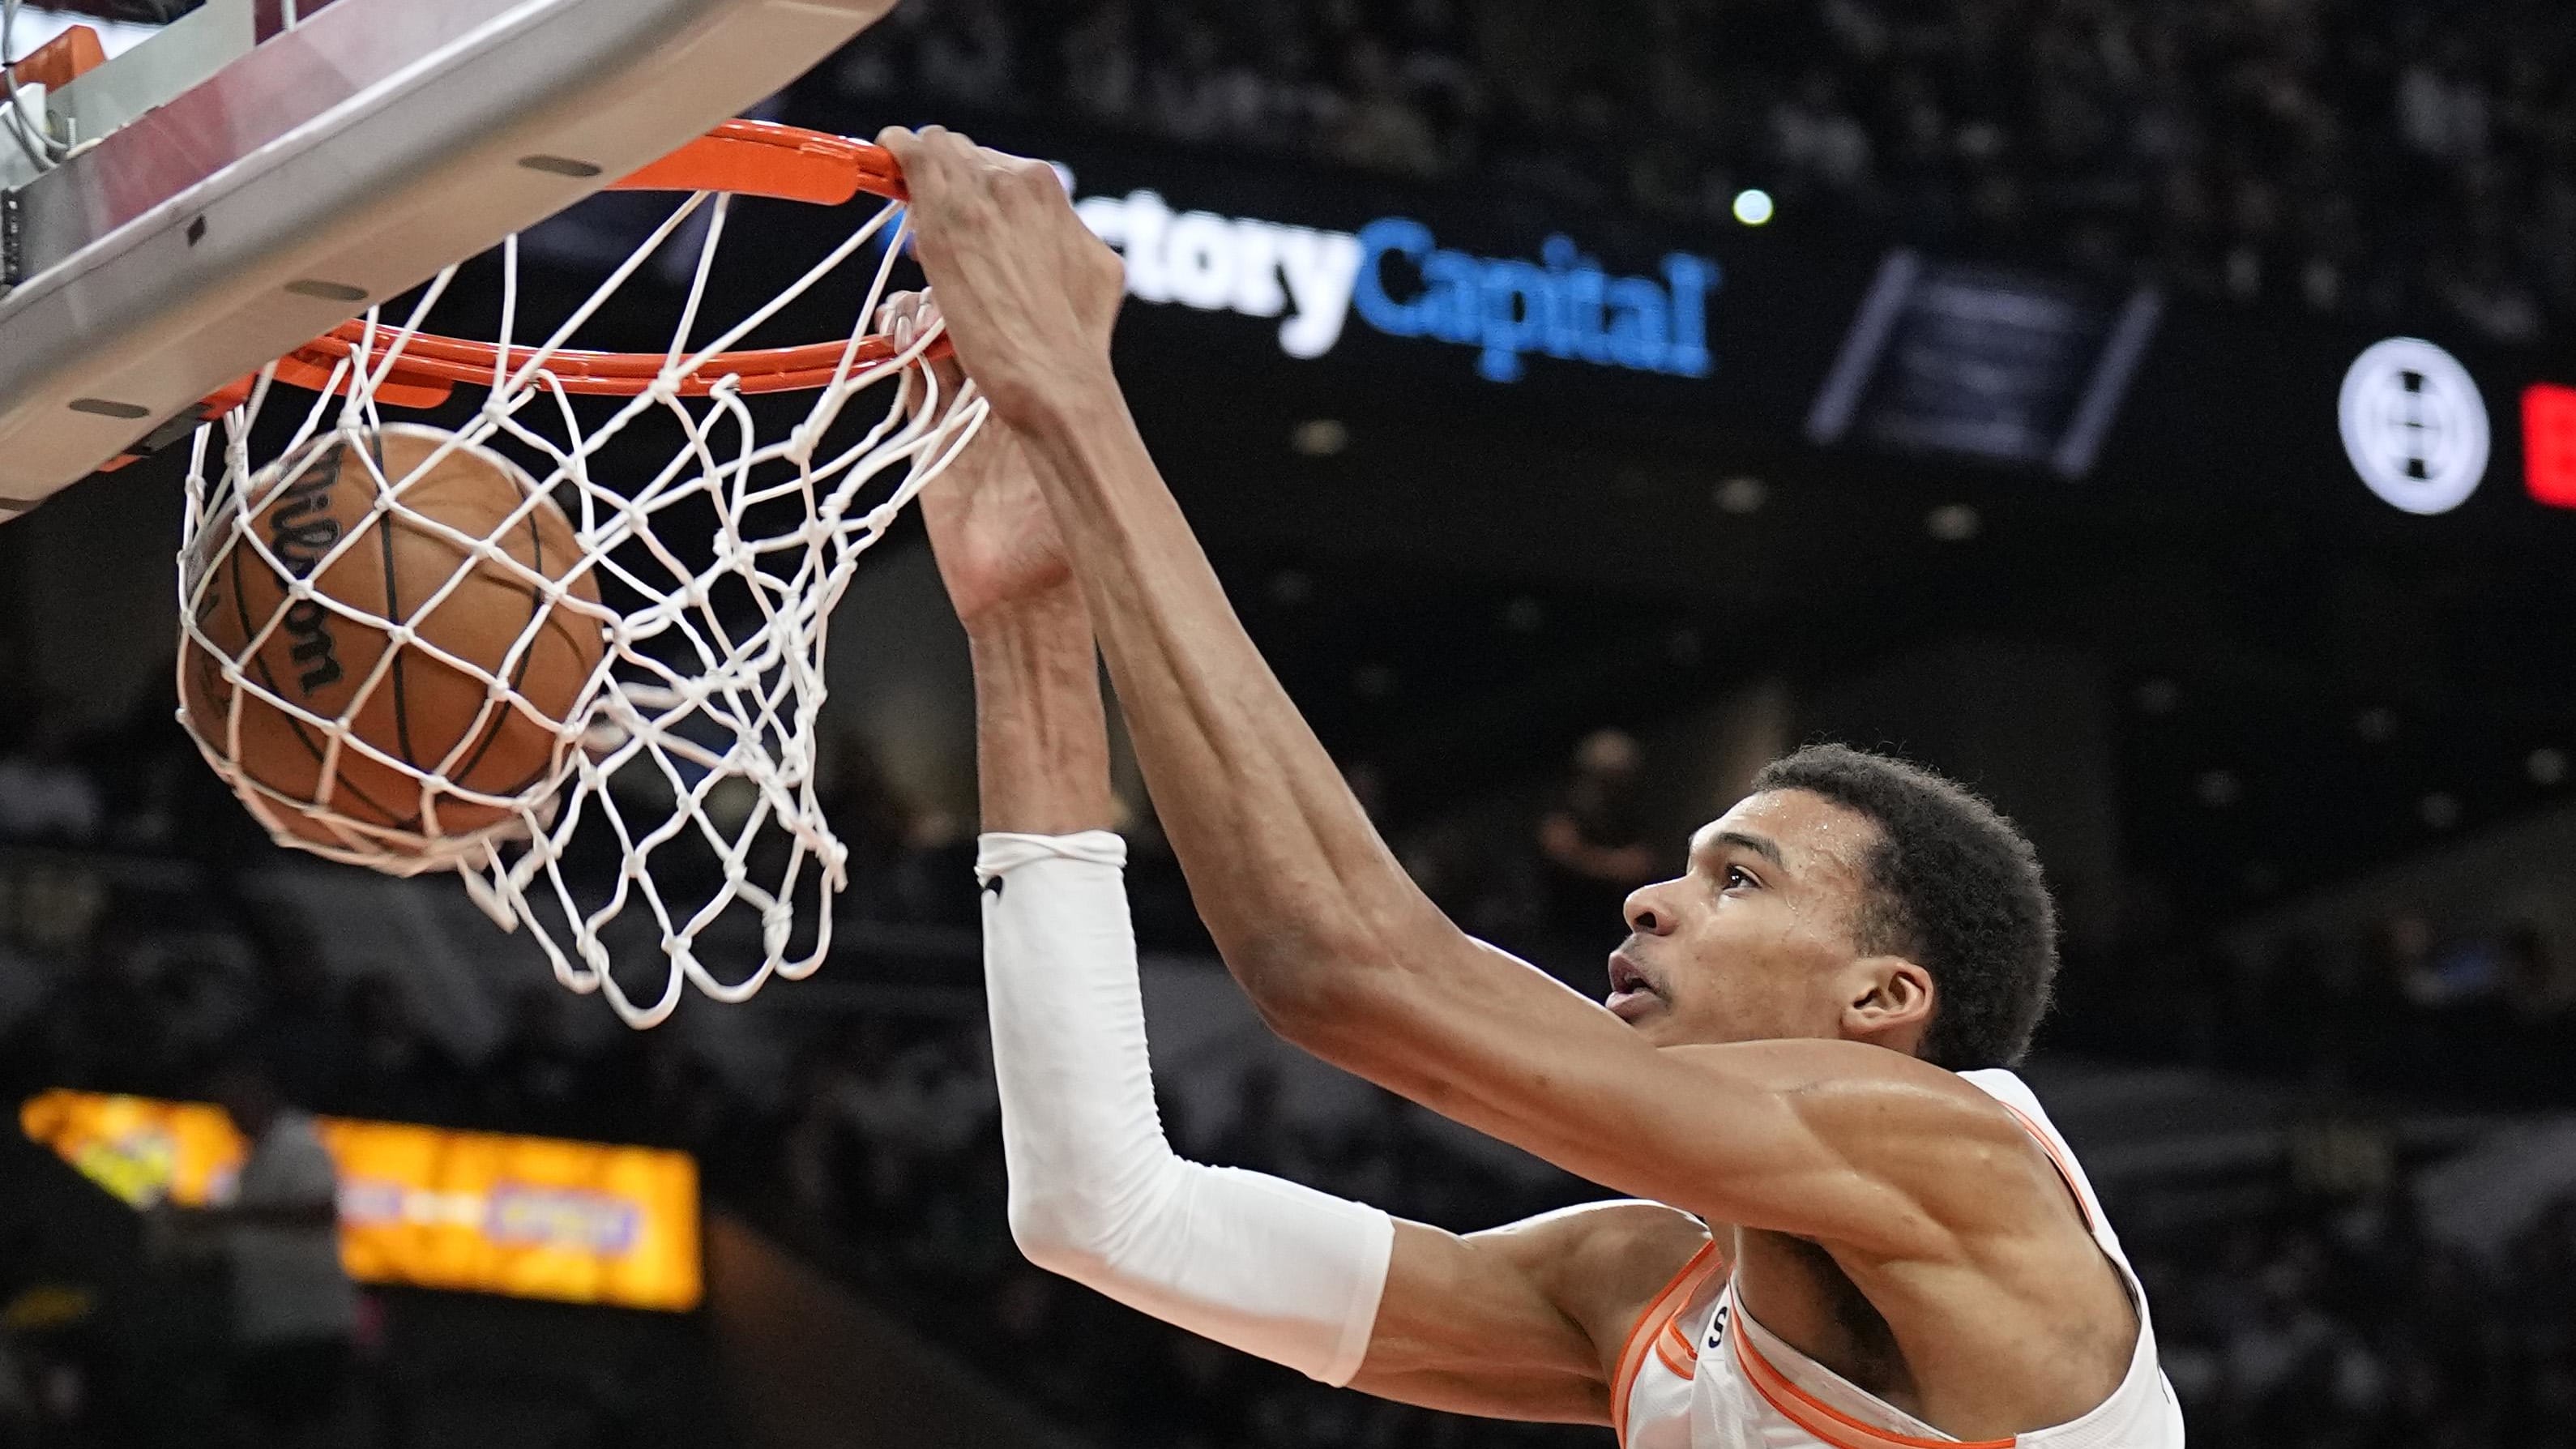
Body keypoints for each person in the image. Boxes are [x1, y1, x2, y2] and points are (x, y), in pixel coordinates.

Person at [873, 122, 2185, 1449]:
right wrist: (1024, 621)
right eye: (1681, 867)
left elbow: (1340, 965)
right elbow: (1102, 1211)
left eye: (1735, 878)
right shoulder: (1643, 1294)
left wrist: (1075, 404)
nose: (1646, 904)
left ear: (1884, 998)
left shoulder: (1962, 1163)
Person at [182, 1059, 358, 1447]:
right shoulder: (252, 1159)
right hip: (267, 1323)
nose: (230, 1118)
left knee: (295, 1428)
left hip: (308, 1323)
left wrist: (233, 1218)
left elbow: (319, 1210)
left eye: (234, 1105)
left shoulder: (297, 1143)